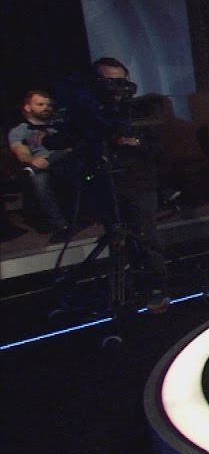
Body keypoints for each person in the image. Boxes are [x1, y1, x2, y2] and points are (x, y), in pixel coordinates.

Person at [92, 57, 170, 308]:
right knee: (117, 241)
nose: (116, 88)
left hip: (139, 183)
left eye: (120, 81)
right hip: (107, 185)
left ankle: (158, 285)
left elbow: (159, 148)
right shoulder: (94, 115)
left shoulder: (141, 111)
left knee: (148, 238)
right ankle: (125, 288)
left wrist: (135, 143)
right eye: (109, 81)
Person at [8, 90, 74, 239]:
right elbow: (21, 152)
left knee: (67, 154)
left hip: (66, 159)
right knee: (39, 180)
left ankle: (32, 170)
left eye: (48, 105)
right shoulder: (20, 130)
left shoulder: (59, 126)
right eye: (40, 104)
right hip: (41, 165)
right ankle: (61, 225)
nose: (46, 108)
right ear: (27, 107)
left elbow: (72, 146)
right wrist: (32, 160)